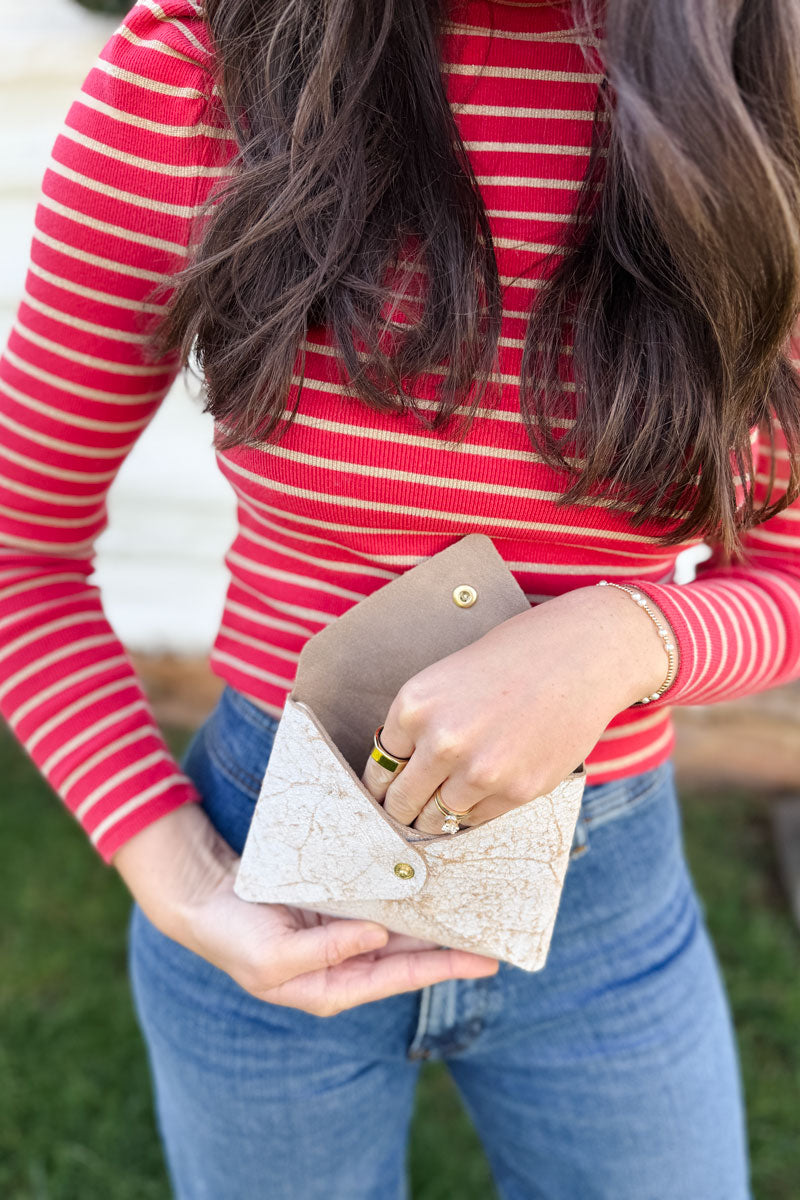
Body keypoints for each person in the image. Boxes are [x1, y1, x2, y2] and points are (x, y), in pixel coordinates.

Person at [2, 0, 799, 1194]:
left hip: (607, 916)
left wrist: (626, 636)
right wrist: (180, 881)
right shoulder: (195, 84)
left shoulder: (764, 116)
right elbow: (21, 556)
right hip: (264, 871)